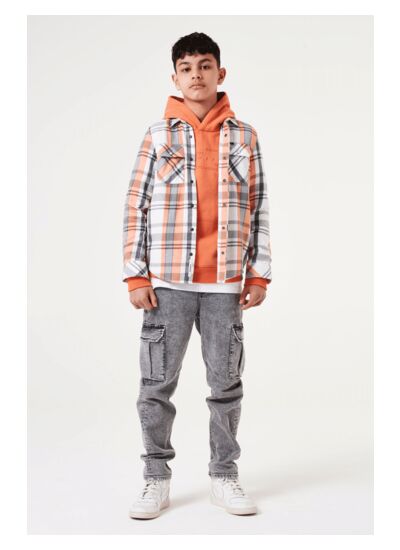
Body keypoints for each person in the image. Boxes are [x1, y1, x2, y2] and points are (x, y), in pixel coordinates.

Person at [122, 32, 272, 519]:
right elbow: (136, 204)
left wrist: (259, 273)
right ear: (175, 77)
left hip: (225, 284)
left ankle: (224, 476)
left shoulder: (245, 136)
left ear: (220, 73)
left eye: (205, 65)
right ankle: (155, 478)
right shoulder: (158, 135)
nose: (196, 75)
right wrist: (135, 275)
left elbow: (258, 205)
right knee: (156, 385)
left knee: (225, 385)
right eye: (186, 68)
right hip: (167, 282)